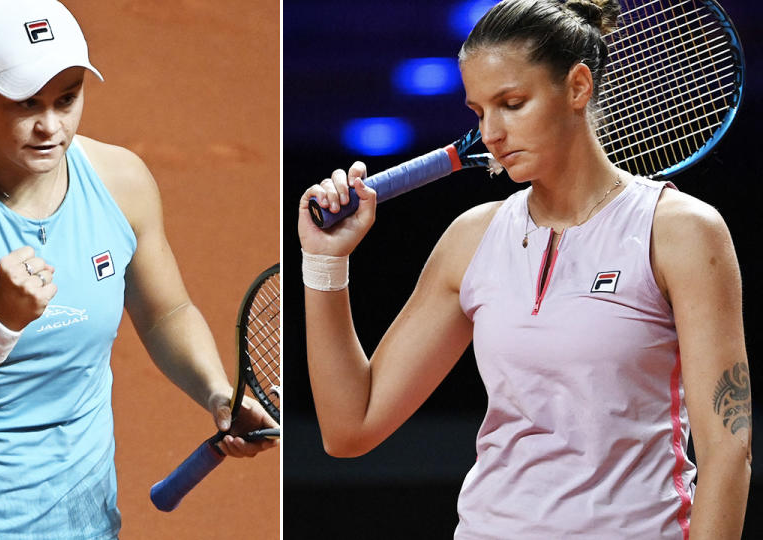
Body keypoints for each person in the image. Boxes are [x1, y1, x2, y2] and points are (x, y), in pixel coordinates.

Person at [298, 0, 750, 538]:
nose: (490, 133)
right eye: (478, 112)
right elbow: (350, 428)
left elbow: (728, 451)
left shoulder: (680, 232)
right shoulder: (474, 238)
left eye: (511, 103)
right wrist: (326, 263)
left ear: (578, 87)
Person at [0, 1, 277, 538]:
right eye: (26, 104)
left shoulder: (121, 181)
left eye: (67, 99)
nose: (50, 127)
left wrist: (217, 392)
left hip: (80, 521)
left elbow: (165, 312)